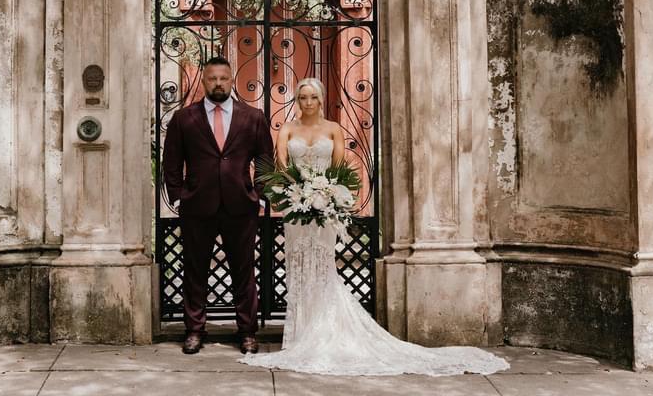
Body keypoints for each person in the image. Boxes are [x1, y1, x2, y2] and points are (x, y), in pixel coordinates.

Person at [240, 78, 510, 376]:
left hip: (325, 208)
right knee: (298, 267)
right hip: (296, 209)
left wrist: (325, 194)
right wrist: (299, 192)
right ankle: (299, 334)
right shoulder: (288, 129)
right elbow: (282, 167)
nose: (307, 103)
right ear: (297, 100)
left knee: (322, 267)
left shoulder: (333, 129)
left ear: (320, 99)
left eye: (312, 97)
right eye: (302, 97)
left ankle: (324, 329)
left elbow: (339, 170)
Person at [162, 56, 274, 355]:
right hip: (197, 206)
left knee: (244, 272)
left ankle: (247, 332)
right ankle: (194, 330)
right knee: (195, 270)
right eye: (212, 78)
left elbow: (265, 160)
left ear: (231, 79)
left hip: (241, 205)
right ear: (203, 81)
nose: (218, 83)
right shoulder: (184, 118)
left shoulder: (252, 117)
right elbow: (171, 162)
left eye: (223, 78)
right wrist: (178, 195)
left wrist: (262, 194)